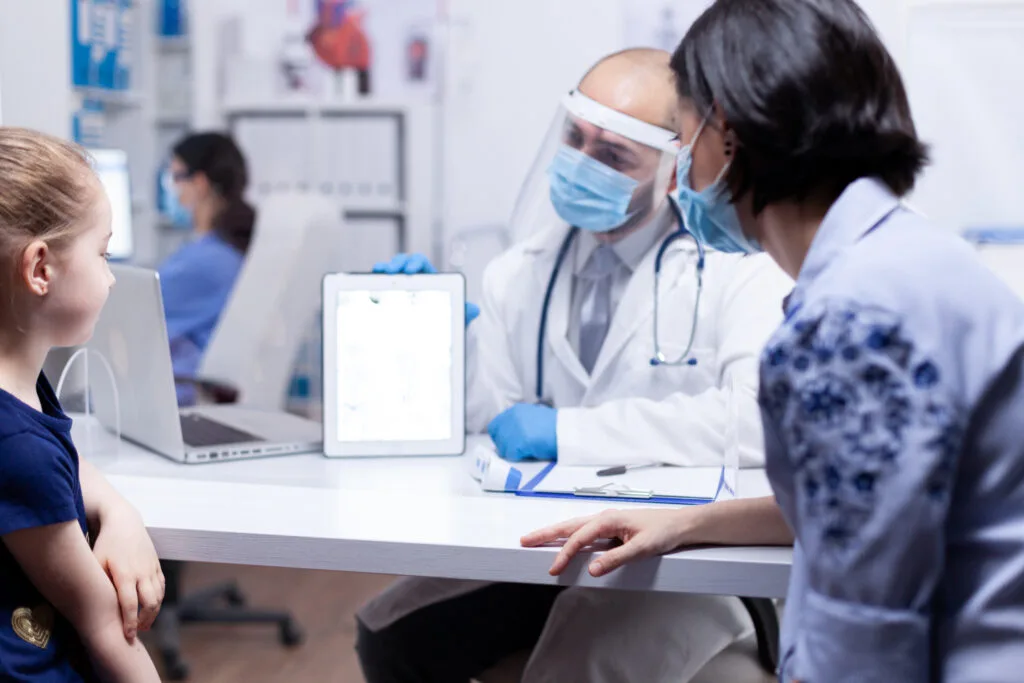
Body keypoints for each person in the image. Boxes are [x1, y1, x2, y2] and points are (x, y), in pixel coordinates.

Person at [527, 0, 1024, 680]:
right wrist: (692, 522)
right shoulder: (905, 262)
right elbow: (863, 500)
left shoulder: (850, 321)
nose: (677, 176)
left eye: (679, 137)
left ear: (725, 130)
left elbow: (868, 633)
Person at [358, 48, 793, 683]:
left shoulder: (737, 267)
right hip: (553, 539)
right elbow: (493, 420)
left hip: (690, 554)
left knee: (573, 665)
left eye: (614, 155)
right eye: (575, 139)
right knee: (391, 632)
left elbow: (756, 420)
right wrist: (433, 343)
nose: (582, 165)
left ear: (676, 170)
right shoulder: (520, 272)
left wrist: (568, 433)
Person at [0, 127, 162, 681]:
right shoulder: (13, 445)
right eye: (102, 252)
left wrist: (121, 512)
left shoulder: (18, 390)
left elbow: (63, 458)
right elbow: (104, 628)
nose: (112, 278)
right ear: (41, 268)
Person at [159, 132, 256, 405]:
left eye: (176, 177)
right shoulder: (234, 249)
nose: (173, 190)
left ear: (199, 183)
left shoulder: (204, 262)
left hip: (180, 398)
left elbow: (138, 317)